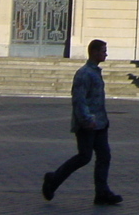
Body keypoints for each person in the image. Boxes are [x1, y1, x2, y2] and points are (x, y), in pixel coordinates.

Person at [41, 39, 123, 206]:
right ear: (93, 52)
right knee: (84, 157)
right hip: (88, 124)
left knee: (104, 156)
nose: (105, 54)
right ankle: (53, 179)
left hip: (100, 123)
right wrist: (86, 119)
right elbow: (79, 99)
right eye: (103, 51)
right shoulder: (84, 73)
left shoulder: (95, 72)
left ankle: (102, 192)